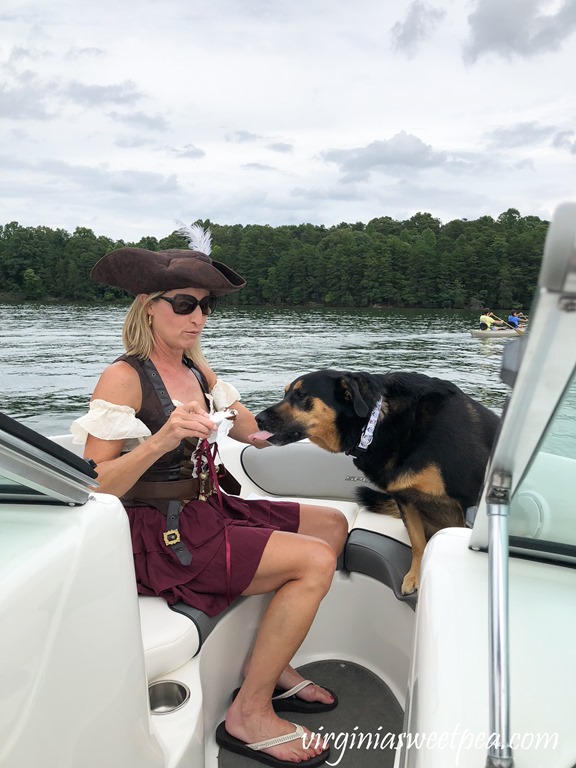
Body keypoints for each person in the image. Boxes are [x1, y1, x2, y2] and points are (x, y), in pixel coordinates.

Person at [70, 222, 347, 768]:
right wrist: (164, 438)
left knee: (331, 525)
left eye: (205, 306)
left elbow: (250, 434)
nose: (197, 316)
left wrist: (325, 423)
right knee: (313, 562)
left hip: (209, 507)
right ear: (149, 306)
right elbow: (94, 484)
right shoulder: (124, 378)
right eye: (184, 303)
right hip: (159, 531)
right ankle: (251, 712)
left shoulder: (194, 366)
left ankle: (274, 664)